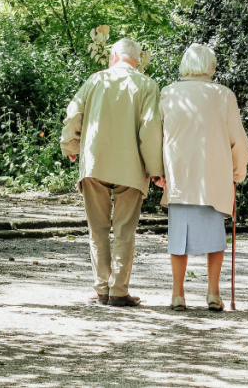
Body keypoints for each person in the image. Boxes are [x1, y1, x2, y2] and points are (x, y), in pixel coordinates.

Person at [60, 38, 164, 307]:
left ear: (114, 56)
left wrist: (70, 145)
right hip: (131, 167)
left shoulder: (95, 80)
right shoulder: (147, 85)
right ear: (137, 60)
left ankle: (101, 289)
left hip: (95, 163)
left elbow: (74, 115)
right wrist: (155, 170)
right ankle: (118, 291)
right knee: (124, 230)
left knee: (97, 229)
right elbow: (150, 129)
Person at [156, 43, 248, 312]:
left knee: (178, 238)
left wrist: (158, 172)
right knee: (215, 237)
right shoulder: (223, 95)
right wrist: (237, 172)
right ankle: (213, 292)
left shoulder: (168, 93)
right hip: (214, 176)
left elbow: (157, 136)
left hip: (180, 175)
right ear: (211, 65)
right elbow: (239, 141)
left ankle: (177, 294)